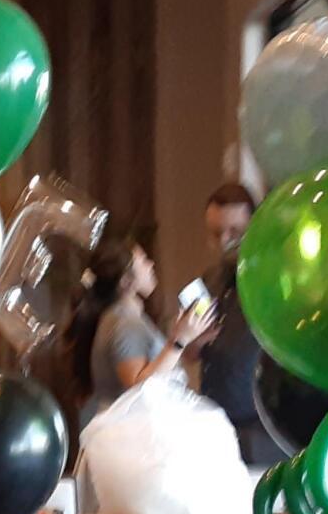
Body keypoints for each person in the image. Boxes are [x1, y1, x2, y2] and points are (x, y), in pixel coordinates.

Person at [68, 238, 215, 428]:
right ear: (126, 281)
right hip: (135, 436)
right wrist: (178, 341)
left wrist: (186, 339)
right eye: (144, 260)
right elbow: (139, 389)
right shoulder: (124, 323)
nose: (151, 264)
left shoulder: (124, 318)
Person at [191, 182, 277, 465]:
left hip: (260, 427)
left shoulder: (274, 283)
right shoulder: (208, 280)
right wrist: (192, 342)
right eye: (216, 234)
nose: (225, 242)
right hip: (215, 423)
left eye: (235, 232)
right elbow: (189, 353)